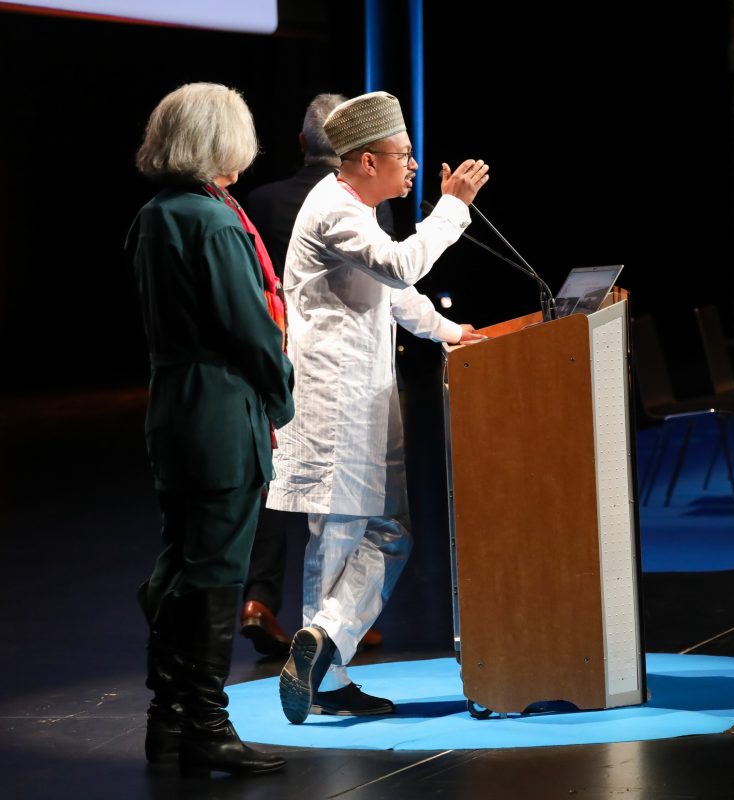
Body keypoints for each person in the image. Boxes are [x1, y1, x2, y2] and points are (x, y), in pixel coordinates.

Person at [267, 90, 489, 724]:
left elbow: (396, 294)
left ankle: (323, 642)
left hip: (367, 399)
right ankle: (325, 673)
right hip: (333, 404)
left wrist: (452, 333)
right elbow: (398, 266)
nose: (414, 165)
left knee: (391, 531)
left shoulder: (359, 209)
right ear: (368, 161)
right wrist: (452, 209)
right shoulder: (333, 209)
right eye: (404, 154)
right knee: (338, 537)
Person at [128, 82, 294, 776]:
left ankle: (168, 721)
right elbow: (248, 328)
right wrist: (281, 394)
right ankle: (206, 725)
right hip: (221, 405)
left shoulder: (156, 214)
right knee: (217, 568)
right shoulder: (214, 221)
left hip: (174, 402)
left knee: (184, 559)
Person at [239, 93, 385, 656]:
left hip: (269, 354)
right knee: (335, 501)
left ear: (301, 142)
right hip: (336, 366)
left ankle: (260, 599)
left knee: (275, 480)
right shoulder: (359, 203)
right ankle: (333, 621)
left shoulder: (261, 200)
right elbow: (388, 281)